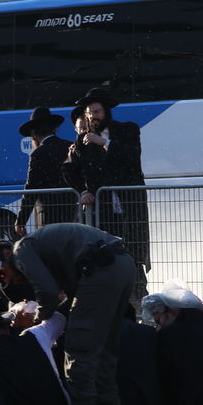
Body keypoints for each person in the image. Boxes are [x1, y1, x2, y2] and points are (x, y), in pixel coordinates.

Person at [6, 221, 137, 405]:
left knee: (79, 353)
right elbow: (72, 297)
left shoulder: (22, 250)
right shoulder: (50, 246)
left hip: (101, 270)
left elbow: (47, 293)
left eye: (3, 276)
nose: (11, 281)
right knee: (105, 349)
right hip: (121, 264)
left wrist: (40, 316)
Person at [63, 87, 149, 303]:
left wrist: (104, 143)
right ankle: (112, 300)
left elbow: (132, 155)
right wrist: (83, 191)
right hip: (105, 210)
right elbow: (69, 171)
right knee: (107, 253)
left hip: (130, 205)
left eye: (97, 112)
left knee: (135, 252)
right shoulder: (82, 142)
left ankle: (139, 299)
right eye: (90, 113)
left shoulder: (128, 130)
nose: (94, 117)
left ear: (107, 112)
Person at [17, 106, 76, 236]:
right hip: (73, 211)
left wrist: (21, 220)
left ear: (33, 134)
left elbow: (31, 188)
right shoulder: (70, 146)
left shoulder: (38, 153)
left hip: (49, 214)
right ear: (54, 129)